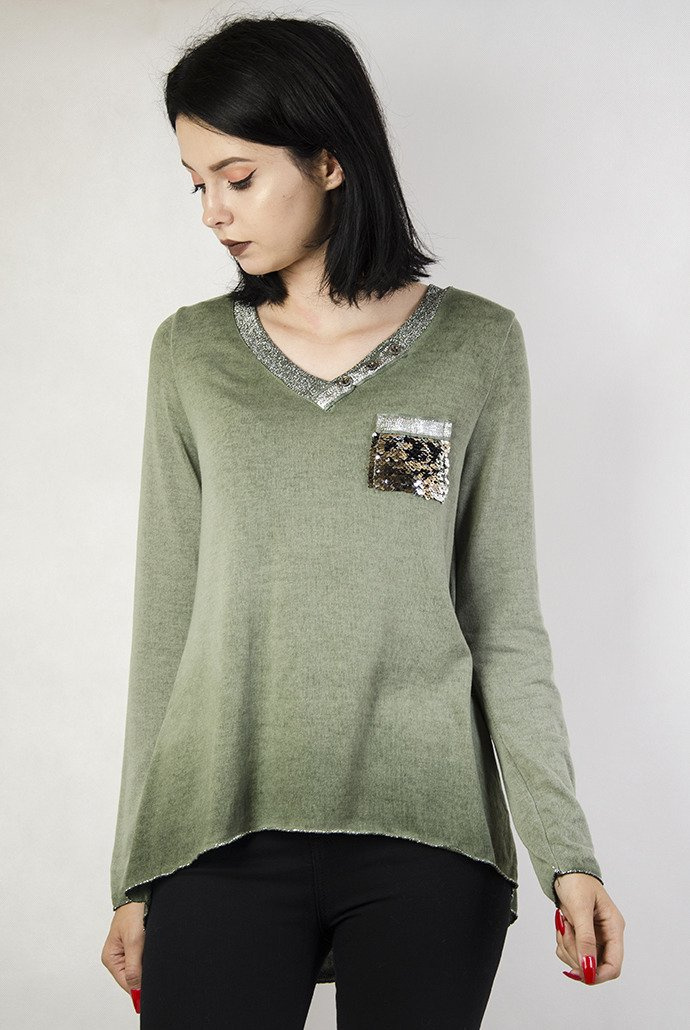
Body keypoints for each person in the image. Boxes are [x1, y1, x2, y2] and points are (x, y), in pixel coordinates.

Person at [100, 13, 625, 1028]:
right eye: (196, 182)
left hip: (427, 836)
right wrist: (134, 871)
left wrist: (569, 856)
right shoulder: (191, 354)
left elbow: (503, 622)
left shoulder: (477, 346)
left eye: (237, 177)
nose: (212, 211)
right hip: (217, 833)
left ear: (330, 159)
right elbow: (165, 626)